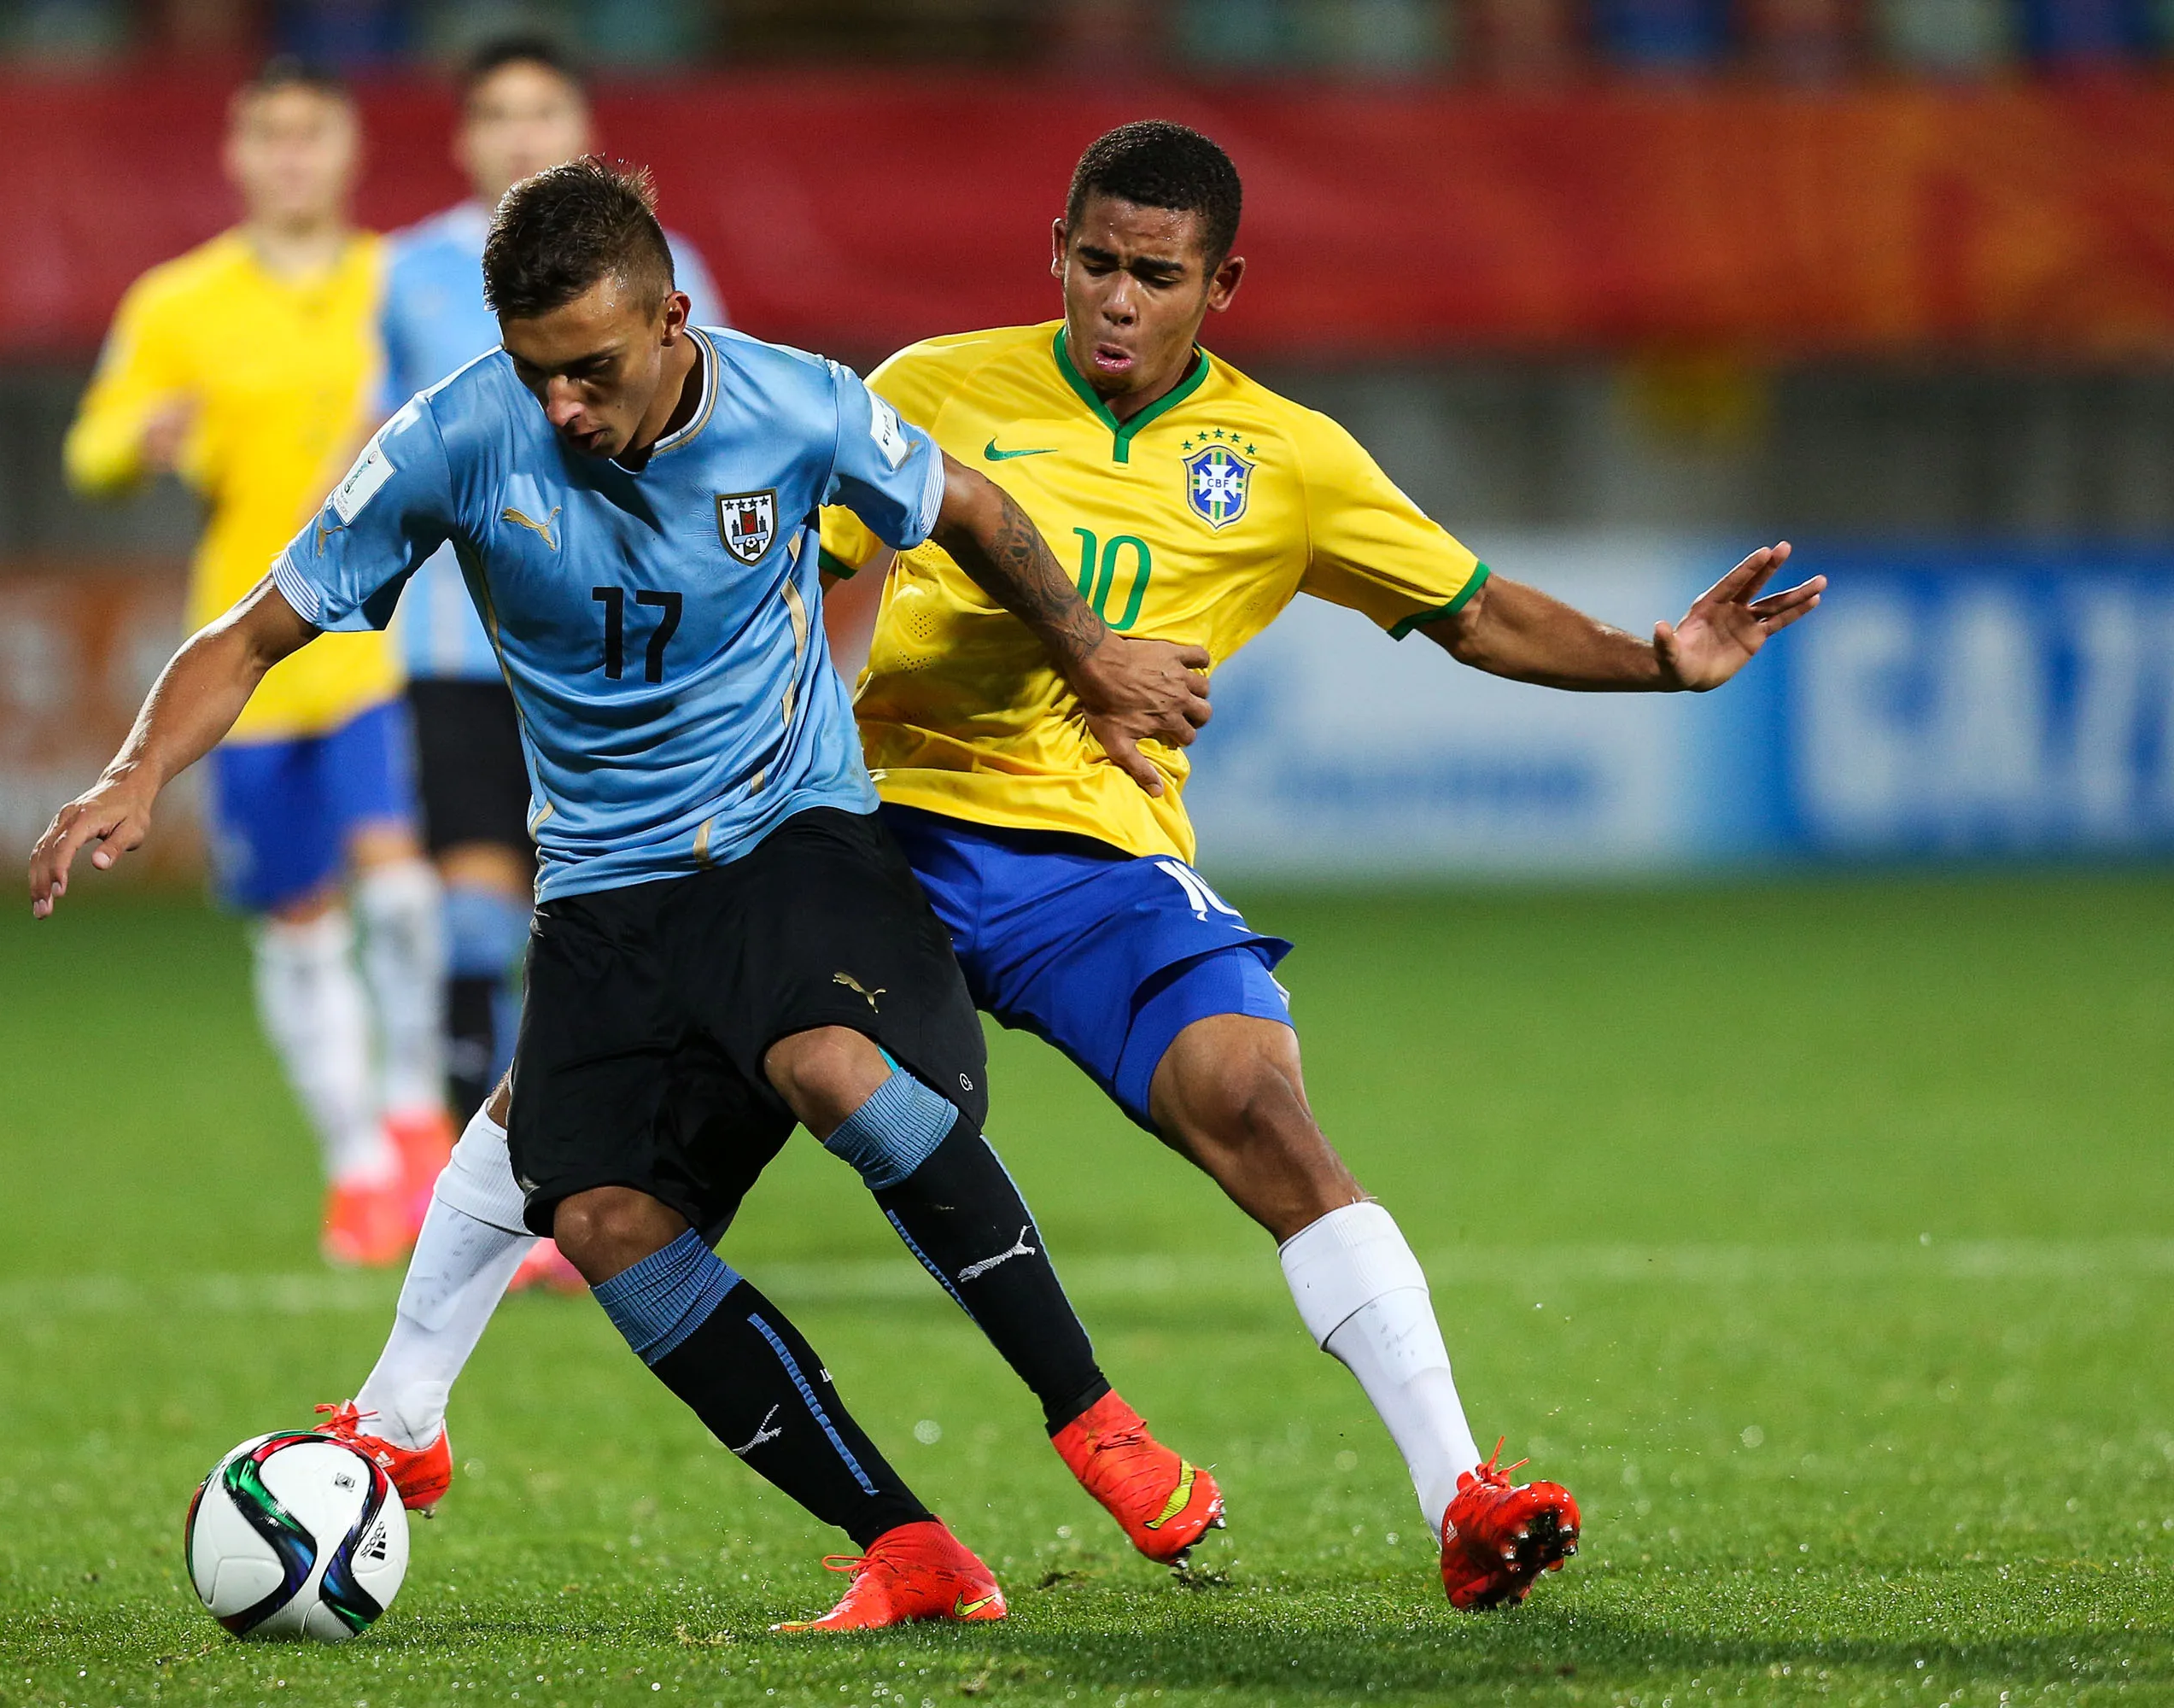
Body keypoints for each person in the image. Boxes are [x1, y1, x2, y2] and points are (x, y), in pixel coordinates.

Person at [310, 122, 1826, 1614]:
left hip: (1092, 858)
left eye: (1156, 276)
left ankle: (1462, 1495)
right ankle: (401, 1411)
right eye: (1095, 262)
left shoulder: (1292, 461)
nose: (1118, 298)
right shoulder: (931, 386)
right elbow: (765, 564)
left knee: (1257, 1104)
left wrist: (1659, 660)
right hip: (870, 829)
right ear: (1056, 253)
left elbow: (1474, 611)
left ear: (1221, 285)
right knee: (573, 1118)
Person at [31, 159, 1220, 1629]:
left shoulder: (795, 406)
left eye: (591, 370)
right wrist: (136, 771)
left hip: (794, 839)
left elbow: (969, 505)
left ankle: (1091, 1416)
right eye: (536, 371)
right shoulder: (454, 438)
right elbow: (254, 630)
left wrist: (1090, 652)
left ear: (670, 320)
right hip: (604, 889)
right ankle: (909, 1547)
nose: (563, 407)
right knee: (599, 1221)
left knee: (831, 1064)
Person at [62, 56, 450, 1269]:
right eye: (269, 136)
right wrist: (138, 439)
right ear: (236, 155)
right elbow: (91, 449)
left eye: (311, 133)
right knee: (298, 920)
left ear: (350, 150)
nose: (291, 157)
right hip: (248, 649)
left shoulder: (400, 281)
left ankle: (418, 1120)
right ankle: (357, 1169)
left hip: (384, 639)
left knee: (403, 886)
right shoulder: (181, 301)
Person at [372, 34, 729, 1296]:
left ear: (584, 128)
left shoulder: (668, 274)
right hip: (465, 651)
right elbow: (380, 443)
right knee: (476, 924)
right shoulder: (405, 273)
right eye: (497, 114)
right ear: (463, 137)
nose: (520, 134)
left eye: (544, 111)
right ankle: (500, 1202)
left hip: (626, 657)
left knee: (610, 938)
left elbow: (713, 439)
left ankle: (610, 1178)